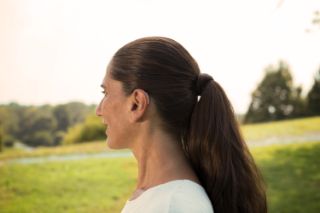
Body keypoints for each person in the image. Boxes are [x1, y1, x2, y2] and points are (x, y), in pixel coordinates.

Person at [96, 37, 267, 213]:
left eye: (106, 92)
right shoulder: (159, 196)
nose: (99, 110)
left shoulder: (175, 204)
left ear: (137, 103)